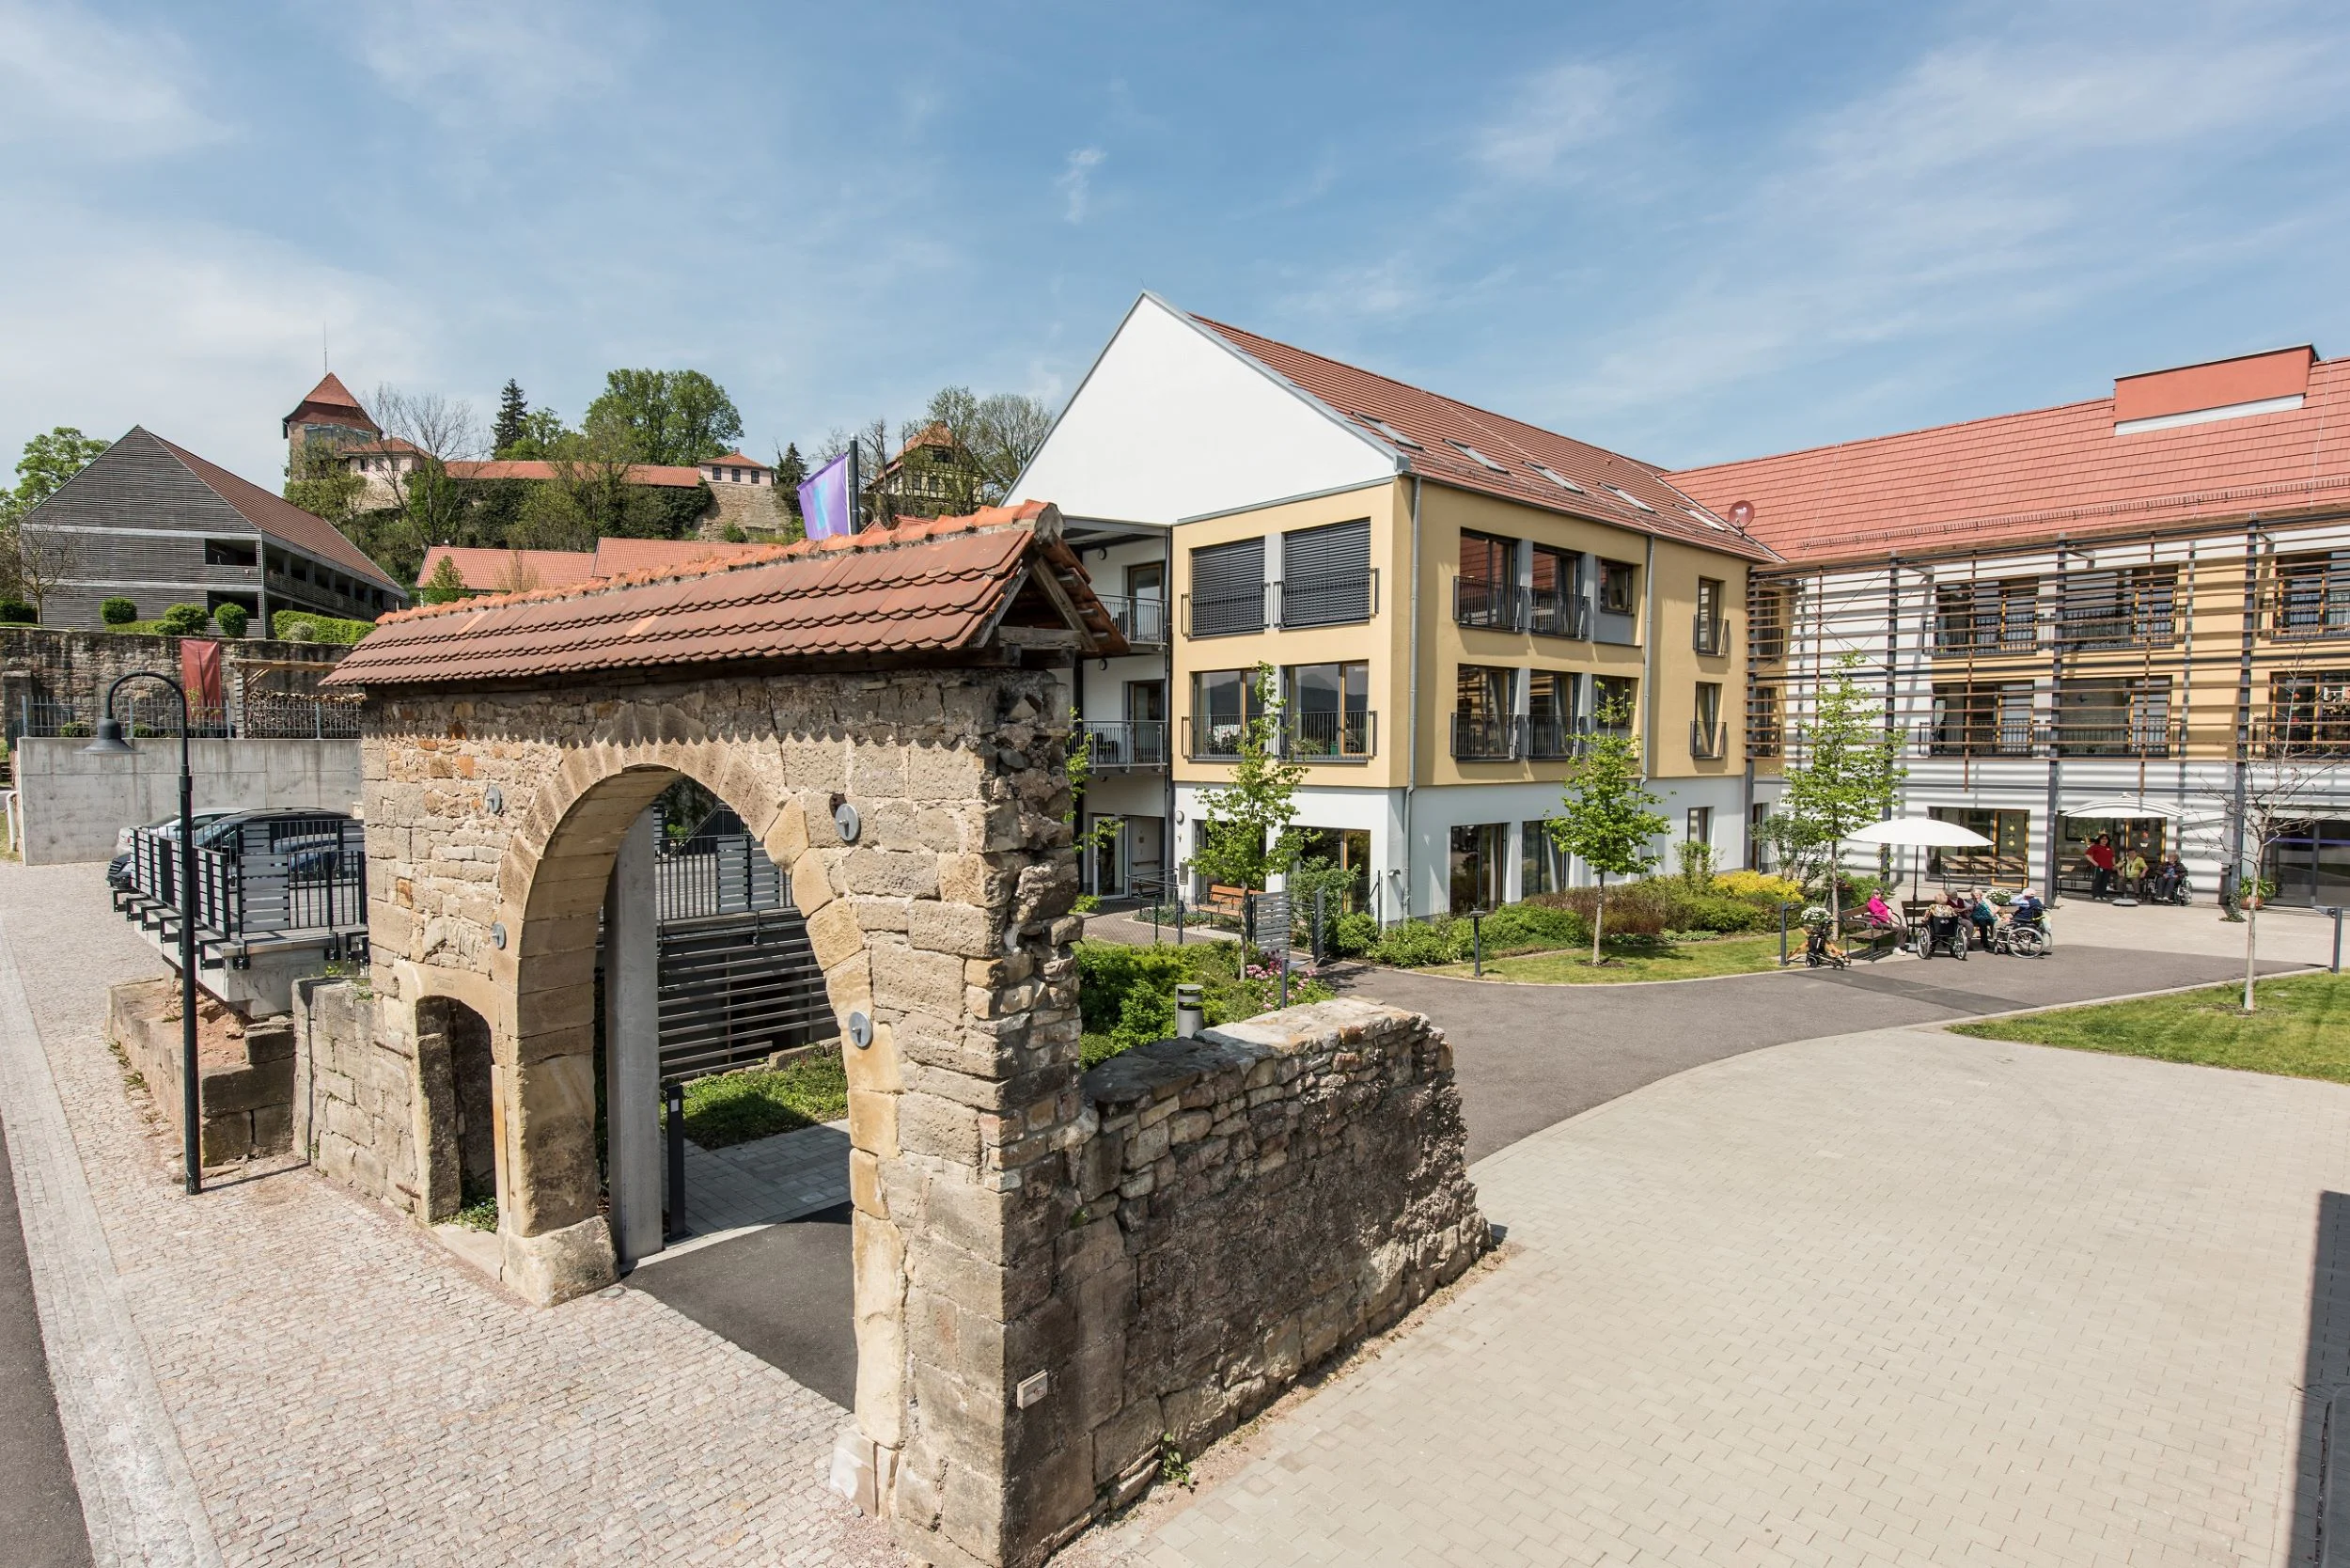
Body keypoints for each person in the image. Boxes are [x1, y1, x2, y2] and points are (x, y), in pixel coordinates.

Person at [2085, 834, 2117, 900]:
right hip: (2099, 867)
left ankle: (2103, 895)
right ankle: (2096, 895)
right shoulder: (2095, 846)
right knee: (2097, 881)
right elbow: (2087, 855)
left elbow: (2113, 857)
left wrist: (2114, 865)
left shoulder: (2109, 848)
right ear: (2099, 839)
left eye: (2106, 839)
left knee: (2105, 881)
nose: (2104, 840)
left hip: (2108, 868)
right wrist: (2094, 862)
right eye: (2103, 839)